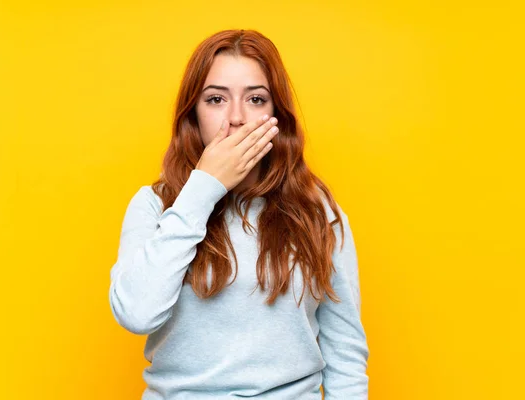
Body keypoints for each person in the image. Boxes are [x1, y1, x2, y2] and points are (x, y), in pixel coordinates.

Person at [108, 29, 369, 400]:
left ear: (276, 114)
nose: (236, 118)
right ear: (193, 116)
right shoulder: (154, 205)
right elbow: (136, 313)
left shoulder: (317, 212)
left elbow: (345, 353)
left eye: (256, 99)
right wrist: (203, 189)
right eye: (215, 99)